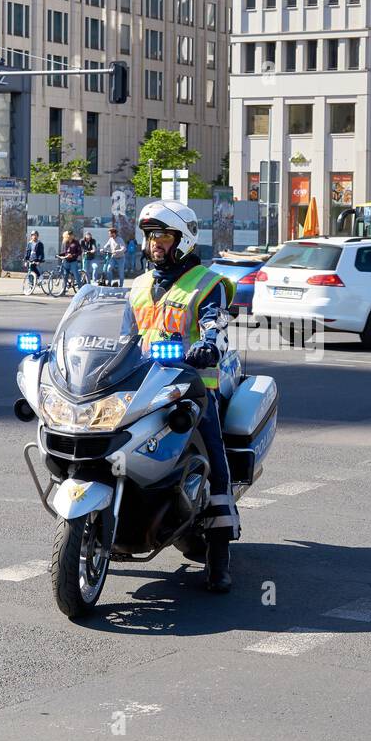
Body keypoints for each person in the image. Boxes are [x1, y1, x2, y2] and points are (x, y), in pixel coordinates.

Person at [130, 200, 239, 593]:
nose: (154, 243)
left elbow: (216, 322)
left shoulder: (206, 283)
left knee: (213, 456)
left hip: (192, 385)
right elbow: (121, 332)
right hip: (143, 385)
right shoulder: (140, 286)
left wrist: (210, 342)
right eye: (149, 235)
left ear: (183, 238)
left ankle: (220, 555)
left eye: (161, 235)